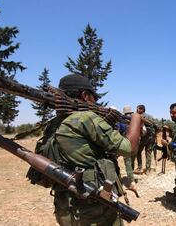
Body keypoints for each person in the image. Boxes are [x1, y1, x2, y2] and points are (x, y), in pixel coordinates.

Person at [41, 74, 142, 226]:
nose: (96, 101)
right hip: (94, 209)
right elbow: (129, 148)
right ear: (85, 96)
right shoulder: (85, 118)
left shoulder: (54, 123)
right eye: (94, 97)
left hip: (65, 207)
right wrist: (136, 118)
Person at [118, 105, 138, 192]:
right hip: (136, 145)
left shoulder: (121, 121)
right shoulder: (136, 121)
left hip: (126, 145)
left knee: (128, 163)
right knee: (131, 161)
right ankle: (131, 176)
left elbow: (117, 133)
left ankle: (132, 182)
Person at [133, 104, 156, 175]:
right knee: (148, 153)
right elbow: (156, 126)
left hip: (143, 138)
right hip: (151, 137)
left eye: (137, 109)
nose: (136, 110)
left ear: (141, 110)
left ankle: (139, 167)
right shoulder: (150, 116)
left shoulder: (139, 116)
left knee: (138, 152)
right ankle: (148, 170)